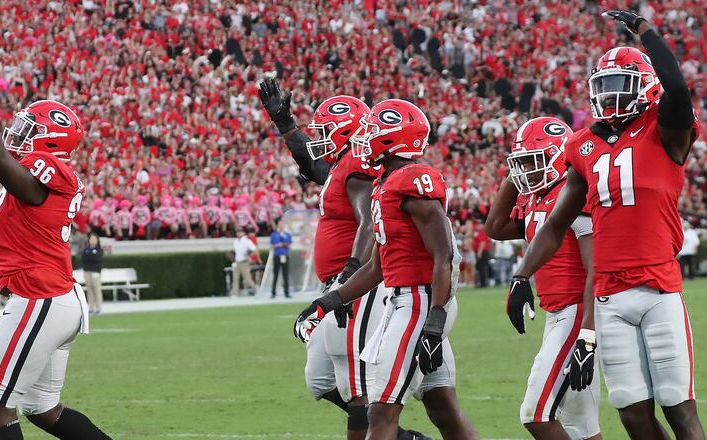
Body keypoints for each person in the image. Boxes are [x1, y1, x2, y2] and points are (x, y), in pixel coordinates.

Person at [512, 11, 704, 439]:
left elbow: (675, 85)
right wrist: (521, 274)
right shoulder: (582, 144)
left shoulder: (666, 130)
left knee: (678, 407)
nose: (612, 95)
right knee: (632, 413)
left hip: (658, 288)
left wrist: (645, 34)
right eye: (605, 86)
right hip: (609, 298)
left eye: (622, 85)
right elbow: (558, 221)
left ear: (644, 88)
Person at [0, 50, 110, 440]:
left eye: (29, 128)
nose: (19, 133)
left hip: (39, 295)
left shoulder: (52, 171)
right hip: (53, 296)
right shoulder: (49, 172)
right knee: (42, 409)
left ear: (50, 141)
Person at [295, 99, 477, 439]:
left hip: (421, 301)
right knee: (441, 404)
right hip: (405, 298)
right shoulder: (385, 184)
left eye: (373, 130)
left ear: (394, 138)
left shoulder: (413, 179)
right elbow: (378, 266)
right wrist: (328, 301)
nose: (366, 137)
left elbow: (445, 255)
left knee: (379, 408)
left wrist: (435, 320)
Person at [262, 82, 428, 439]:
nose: (319, 139)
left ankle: (386, 429)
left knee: (356, 384)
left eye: (325, 132)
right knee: (320, 379)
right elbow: (312, 162)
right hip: (342, 281)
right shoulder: (343, 165)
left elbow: (369, 218)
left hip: (355, 282)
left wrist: (349, 274)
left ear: (349, 133)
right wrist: (286, 125)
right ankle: (399, 435)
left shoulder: (355, 163)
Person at [485, 117, 601, 439]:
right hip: (557, 313)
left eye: (531, 162)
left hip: (577, 312)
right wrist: (514, 174)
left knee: (536, 413)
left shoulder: (572, 195)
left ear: (559, 158)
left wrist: (587, 334)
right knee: (582, 427)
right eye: (519, 163)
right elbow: (495, 227)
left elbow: (596, 268)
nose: (524, 170)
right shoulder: (535, 196)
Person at [81, 233, 104, 315]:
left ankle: (98, 307)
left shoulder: (99, 250)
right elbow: (84, 258)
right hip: (87, 271)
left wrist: (90, 255)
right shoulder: (86, 249)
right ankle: (91, 307)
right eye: (91, 239)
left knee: (96, 289)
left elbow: (97, 259)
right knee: (89, 290)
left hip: (95, 272)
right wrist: (91, 255)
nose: (92, 241)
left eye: (94, 239)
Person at [231, 228, 257, 297]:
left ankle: (256, 290)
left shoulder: (247, 241)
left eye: (240, 232)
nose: (238, 233)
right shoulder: (235, 241)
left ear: (243, 233)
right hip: (237, 262)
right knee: (235, 279)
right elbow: (234, 251)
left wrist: (249, 256)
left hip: (244, 262)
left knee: (247, 279)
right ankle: (235, 294)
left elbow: (254, 250)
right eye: (237, 232)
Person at [269, 221, 292, 298]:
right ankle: (273, 292)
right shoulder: (274, 234)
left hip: (284, 256)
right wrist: (278, 245)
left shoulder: (287, 235)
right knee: (275, 274)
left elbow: (289, 246)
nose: (281, 226)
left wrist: (285, 244)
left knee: (285, 274)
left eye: (282, 224)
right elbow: (271, 245)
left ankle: (286, 292)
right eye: (280, 224)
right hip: (277, 256)